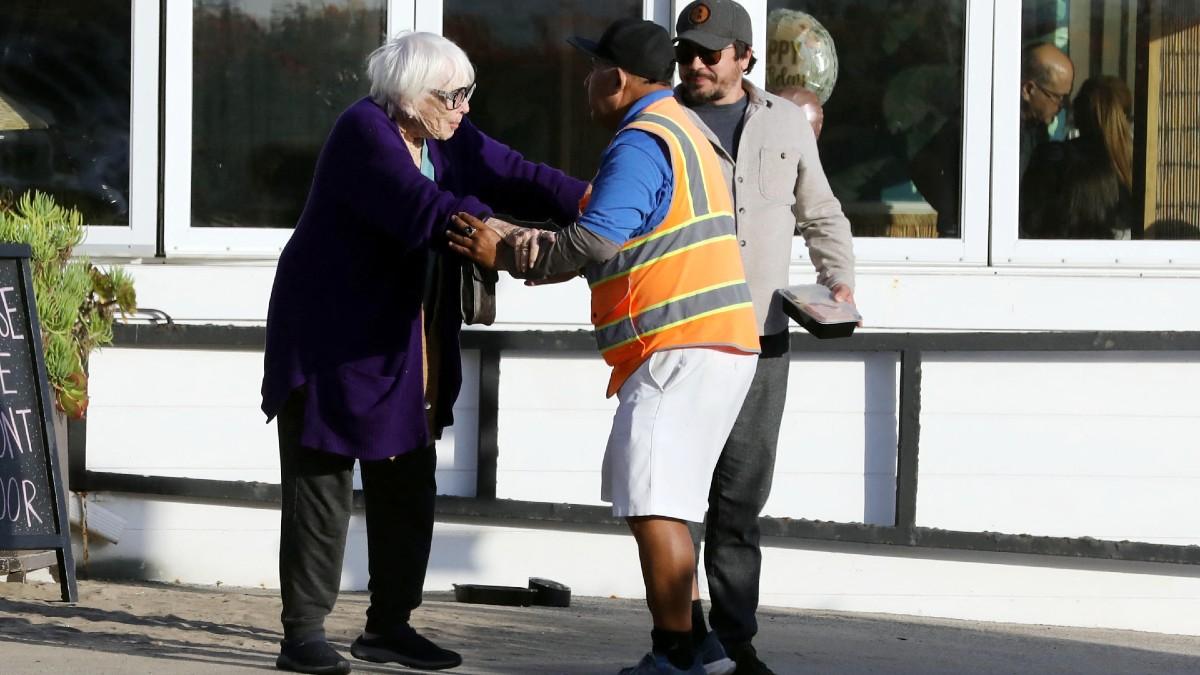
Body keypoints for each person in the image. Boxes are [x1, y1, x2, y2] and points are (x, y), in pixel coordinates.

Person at [260, 31, 587, 675]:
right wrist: (507, 236)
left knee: (408, 476)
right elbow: (425, 208)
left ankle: (389, 625)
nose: (464, 107)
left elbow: (515, 172)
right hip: (332, 333)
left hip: (404, 336)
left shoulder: (441, 133)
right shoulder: (365, 130)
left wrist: (594, 201)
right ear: (410, 95)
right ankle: (302, 633)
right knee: (322, 482)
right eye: (453, 96)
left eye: (468, 94)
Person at [447, 17, 760, 675]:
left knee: (651, 501)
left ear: (617, 79)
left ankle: (679, 653)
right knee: (660, 499)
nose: (586, 80)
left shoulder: (643, 140)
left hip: (680, 344)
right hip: (709, 342)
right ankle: (695, 646)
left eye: (593, 69)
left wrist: (507, 251)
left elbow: (593, 241)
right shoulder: (685, 129)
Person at [672, 2, 856, 673]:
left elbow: (822, 211)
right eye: (686, 51)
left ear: (744, 57)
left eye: (709, 52)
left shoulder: (784, 121)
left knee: (742, 499)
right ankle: (683, 636)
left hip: (763, 339)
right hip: (687, 337)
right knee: (678, 495)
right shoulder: (664, 120)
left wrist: (839, 283)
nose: (694, 63)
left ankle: (737, 641)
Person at [910, 42, 1075, 237]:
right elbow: (924, 168)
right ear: (1028, 90)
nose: (1062, 106)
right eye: (1058, 97)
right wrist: (960, 217)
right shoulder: (981, 125)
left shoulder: (1035, 130)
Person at [1021, 75, 1135, 239]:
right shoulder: (1136, 167)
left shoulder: (1052, 159)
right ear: (1126, 117)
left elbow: (1030, 221)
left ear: (1077, 110)